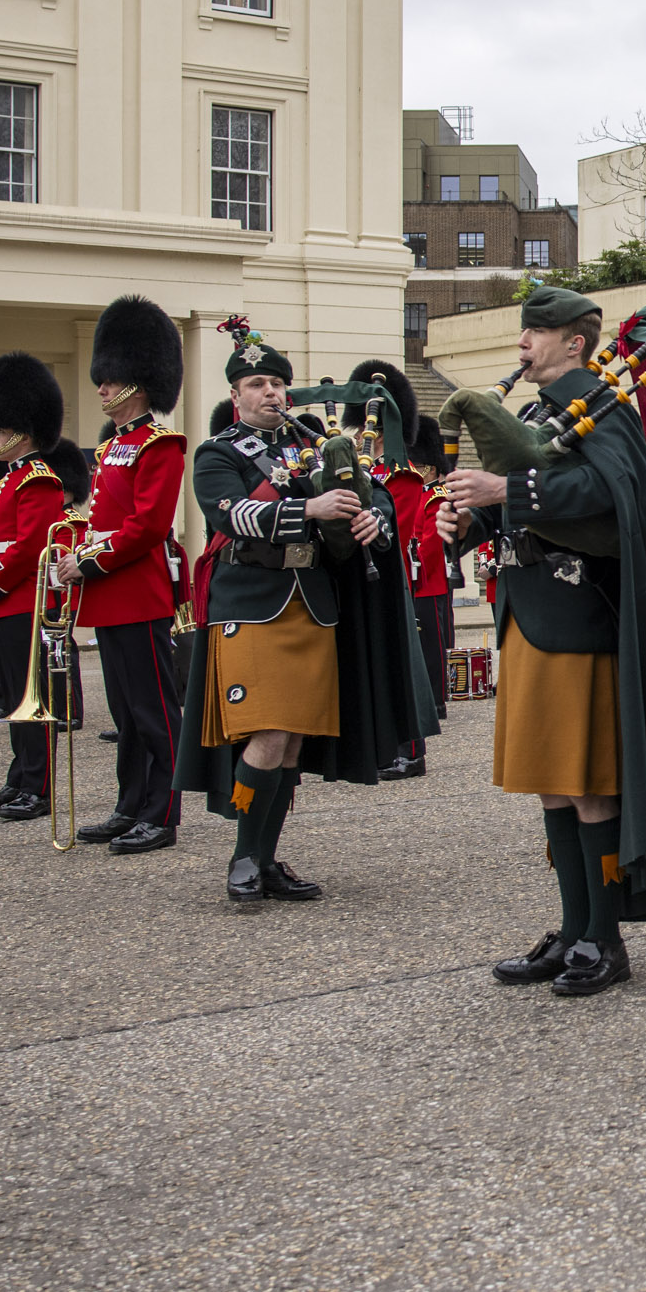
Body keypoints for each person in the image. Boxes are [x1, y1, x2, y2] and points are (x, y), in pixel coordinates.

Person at [441, 288, 646, 985]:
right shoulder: (540, 414)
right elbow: (527, 508)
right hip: (532, 614)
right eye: (524, 330)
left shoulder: (601, 407)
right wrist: (471, 521)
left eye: (537, 331)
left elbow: (610, 495)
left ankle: (604, 938)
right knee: (552, 785)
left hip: (580, 615)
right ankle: (572, 928)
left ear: (575, 341)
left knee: (589, 783)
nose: (523, 344)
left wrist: (505, 492)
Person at [171, 317, 433, 902]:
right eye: (258, 384)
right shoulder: (217, 453)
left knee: (290, 743)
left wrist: (373, 518)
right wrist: (311, 508)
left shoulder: (311, 445)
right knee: (267, 735)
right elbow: (231, 516)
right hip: (253, 602)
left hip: (311, 604)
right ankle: (243, 856)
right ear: (235, 395)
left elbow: (380, 492)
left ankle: (265, 859)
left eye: (277, 384)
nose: (271, 393)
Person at [56, 299, 190, 852]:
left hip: (138, 592)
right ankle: (129, 803)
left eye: (111, 381)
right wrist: (71, 554)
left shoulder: (161, 445)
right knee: (125, 713)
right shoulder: (112, 445)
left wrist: (87, 560)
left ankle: (162, 812)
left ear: (139, 383)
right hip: (110, 595)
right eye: (103, 380)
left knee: (155, 711)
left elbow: (147, 527)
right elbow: (104, 518)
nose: (102, 389)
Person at [0, 356, 71, 823]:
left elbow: (28, 547)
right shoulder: (11, 480)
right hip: (0, 602)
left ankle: (38, 786)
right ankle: (20, 777)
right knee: (13, 698)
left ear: (21, 432)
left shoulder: (38, 479)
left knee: (32, 696)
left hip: (19, 600)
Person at [348, 359, 449, 784]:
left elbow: (403, 533)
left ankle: (411, 751)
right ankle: (384, 747)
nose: (362, 436)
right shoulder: (361, 472)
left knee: (403, 666)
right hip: (365, 579)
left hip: (398, 581)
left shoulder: (401, 478)